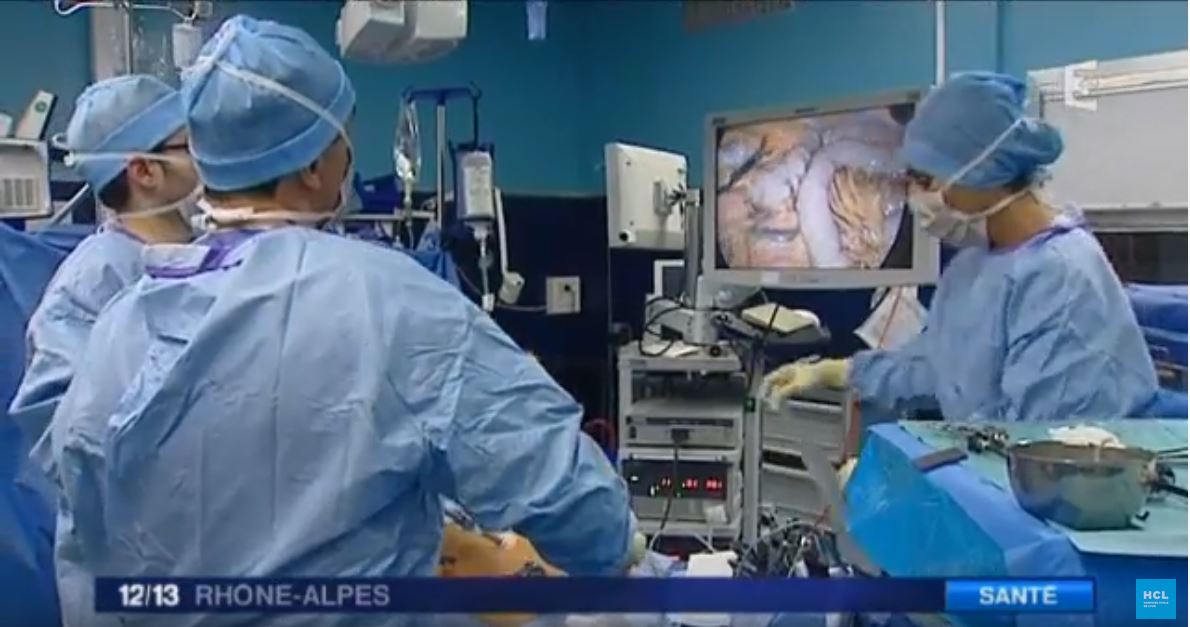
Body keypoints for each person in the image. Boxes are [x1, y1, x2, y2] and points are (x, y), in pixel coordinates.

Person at [48, 15, 640, 625]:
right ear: (313, 167)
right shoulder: (387, 298)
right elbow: (555, 483)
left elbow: (83, 539)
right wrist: (620, 554)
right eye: (344, 140)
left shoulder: (123, 322)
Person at [764, 72, 1157, 422]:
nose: (915, 197)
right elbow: (935, 367)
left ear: (983, 172)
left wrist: (916, 477)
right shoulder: (973, 266)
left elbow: (1044, 446)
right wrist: (838, 372)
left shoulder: (1062, 277)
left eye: (925, 180)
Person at [9, 75, 197, 469]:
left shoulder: (210, 250)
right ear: (144, 171)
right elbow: (68, 437)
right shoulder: (92, 283)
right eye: (190, 145)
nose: (207, 156)